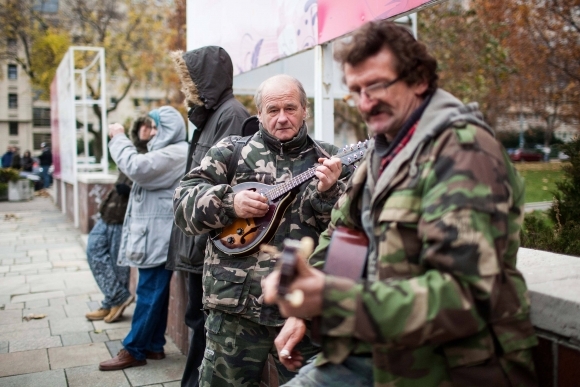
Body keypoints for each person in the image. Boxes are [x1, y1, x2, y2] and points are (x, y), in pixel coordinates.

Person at [263, 21, 538, 387]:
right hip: (374, 354)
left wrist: (331, 299)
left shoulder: (463, 151)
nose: (364, 102)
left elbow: (465, 296)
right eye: (356, 90)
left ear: (419, 80)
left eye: (376, 86)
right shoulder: (383, 149)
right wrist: (305, 302)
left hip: (448, 369)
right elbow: (343, 233)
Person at [173, 74, 353, 387]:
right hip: (234, 312)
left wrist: (330, 193)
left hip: (301, 312)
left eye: (290, 108)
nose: (282, 117)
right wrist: (230, 202)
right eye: (273, 110)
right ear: (259, 113)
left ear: (304, 110)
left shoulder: (330, 160)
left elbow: (351, 235)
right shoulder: (231, 152)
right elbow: (181, 205)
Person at [166, 46, 250, 387]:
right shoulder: (211, 114)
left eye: (190, 78)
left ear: (206, 80)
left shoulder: (230, 115)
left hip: (207, 243)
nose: (186, 85)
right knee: (196, 321)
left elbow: (232, 183)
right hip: (196, 238)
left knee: (204, 326)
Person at [99, 106, 188, 371]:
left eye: (156, 127)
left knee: (149, 291)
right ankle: (153, 345)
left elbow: (136, 167)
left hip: (158, 237)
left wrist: (118, 137)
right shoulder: (167, 151)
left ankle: (134, 349)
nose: (151, 132)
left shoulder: (176, 152)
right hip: (155, 236)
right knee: (154, 290)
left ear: (168, 129)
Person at [85, 116, 150, 324]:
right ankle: (117, 297)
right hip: (109, 212)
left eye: (150, 127)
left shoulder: (151, 155)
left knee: (117, 262)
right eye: (143, 126)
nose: (146, 131)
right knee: (94, 249)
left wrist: (129, 189)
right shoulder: (130, 150)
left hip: (125, 216)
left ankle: (112, 303)